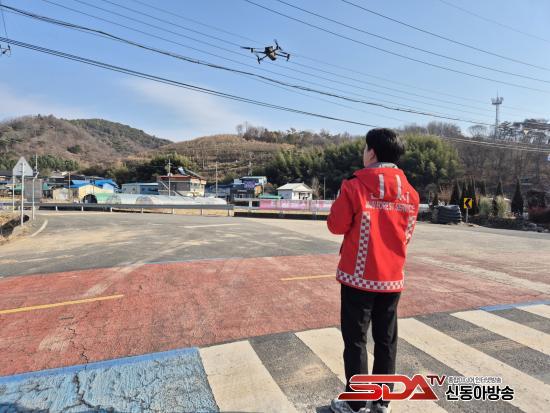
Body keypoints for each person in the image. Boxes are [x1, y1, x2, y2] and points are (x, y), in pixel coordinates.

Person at [327, 128, 419, 413]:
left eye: (365, 148)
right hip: (392, 279)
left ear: (372, 152)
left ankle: (355, 404)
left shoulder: (355, 185)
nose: (363, 153)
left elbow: (335, 225)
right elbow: (406, 236)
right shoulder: (411, 193)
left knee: (356, 341)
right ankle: (382, 402)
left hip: (358, 278)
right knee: (386, 341)